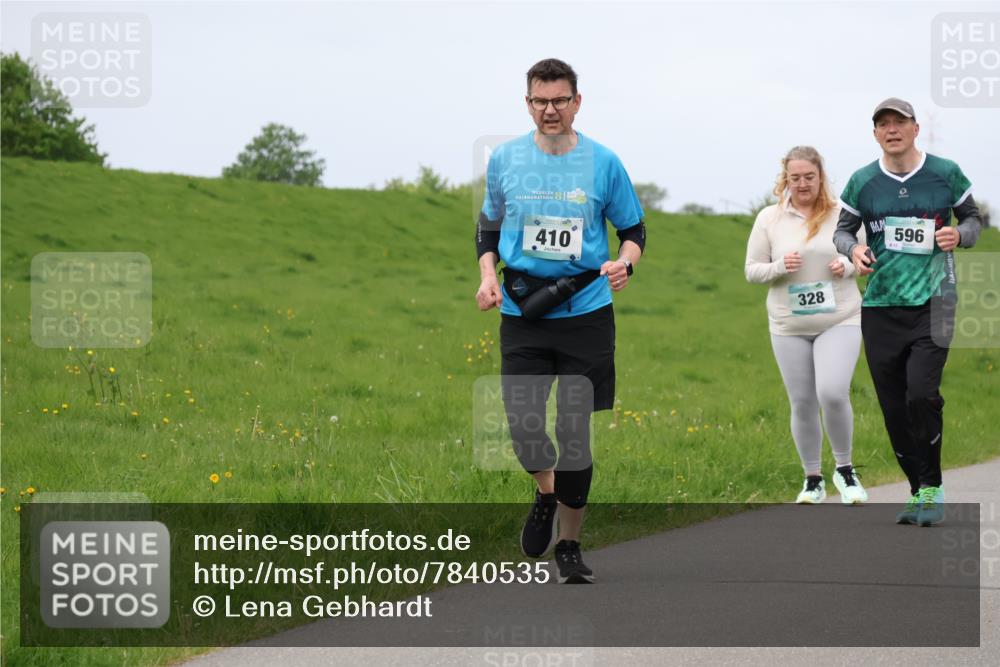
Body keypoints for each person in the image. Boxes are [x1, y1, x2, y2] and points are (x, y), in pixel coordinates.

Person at [475, 58, 645, 583]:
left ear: (577, 101)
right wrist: (487, 275)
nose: (550, 110)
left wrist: (625, 264)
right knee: (525, 429)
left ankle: (569, 546)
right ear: (527, 103)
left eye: (559, 100)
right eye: (539, 101)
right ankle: (545, 493)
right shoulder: (505, 159)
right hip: (522, 313)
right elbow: (487, 230)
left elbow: (634, 230)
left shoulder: (604, 162)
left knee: (573, 437)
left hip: (585, 314)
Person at [834, 98, 982, 526]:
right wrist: (856, 249)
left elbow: (974, 220)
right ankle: (918, 490)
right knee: (894, 405)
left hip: (936, 299)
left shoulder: (945, 172)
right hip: (880, 305)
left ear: (916, 128)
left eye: (899, 122)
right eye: (883, 124)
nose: (891, 129)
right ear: (876, 134)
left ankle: (932, 486)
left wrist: (960, 234)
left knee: (920, 393)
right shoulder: (863, 181)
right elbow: (842, 231)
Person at [745, 146, 868, 505]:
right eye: (795, 177)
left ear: (820, 178)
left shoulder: (842, 215)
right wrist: (779, 266)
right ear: (786, 179)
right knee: (801, 401)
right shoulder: (769, 219)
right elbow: (752, 270)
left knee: (831, 392)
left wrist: (846, 267)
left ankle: (845, 471)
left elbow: (863, 259)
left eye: (809, 177)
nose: (802, 183)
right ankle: (812, 480)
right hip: (788, 324)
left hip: (841, 318)